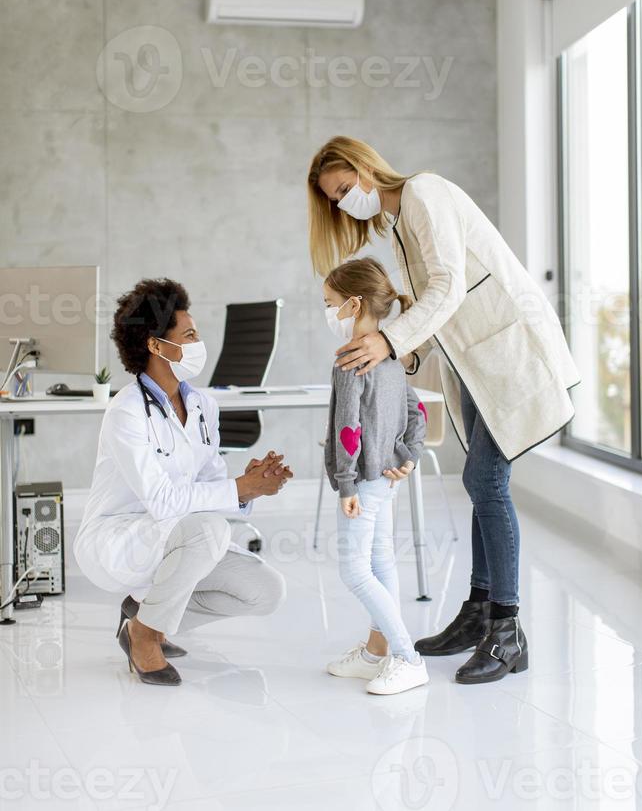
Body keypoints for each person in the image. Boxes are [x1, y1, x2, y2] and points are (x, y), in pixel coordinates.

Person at [308, 137, 580, 685]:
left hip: (509, 353)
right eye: (334, 201)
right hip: (478, 363)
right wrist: (399, 355)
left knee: (485, 480)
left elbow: (450, 286)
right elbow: (435, 309)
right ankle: (480, 610)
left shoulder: (424, 193)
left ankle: (507, 628)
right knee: (482, 483)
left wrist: (389, 341)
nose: (342, 205)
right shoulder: (398, 223)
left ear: (364, 169)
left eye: (342, 190)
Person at [74, 278, 292, 686]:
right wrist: (238, 488)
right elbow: (162, 500)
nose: (198, 343)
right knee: (208, 529)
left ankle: (143, 621)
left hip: (180, 538)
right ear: (156, 346)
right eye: (188, 335)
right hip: (119, 540)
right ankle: (144, 639)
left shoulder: (202, 405)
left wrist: (251, 486)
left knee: (266, 590)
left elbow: (210, 484)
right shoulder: (127, 412)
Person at [323, 257, 429, 696]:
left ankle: (407, 656)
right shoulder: (391, 354)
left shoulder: (352, 359)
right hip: (384, 479)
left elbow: (349, 429)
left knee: (354, 571)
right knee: (381, 559)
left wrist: (345, 483)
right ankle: (375, 654)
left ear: (352, 304)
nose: (328, 312)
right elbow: (416, 411)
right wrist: (409, 454)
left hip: (364, 481)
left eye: (330, 303)